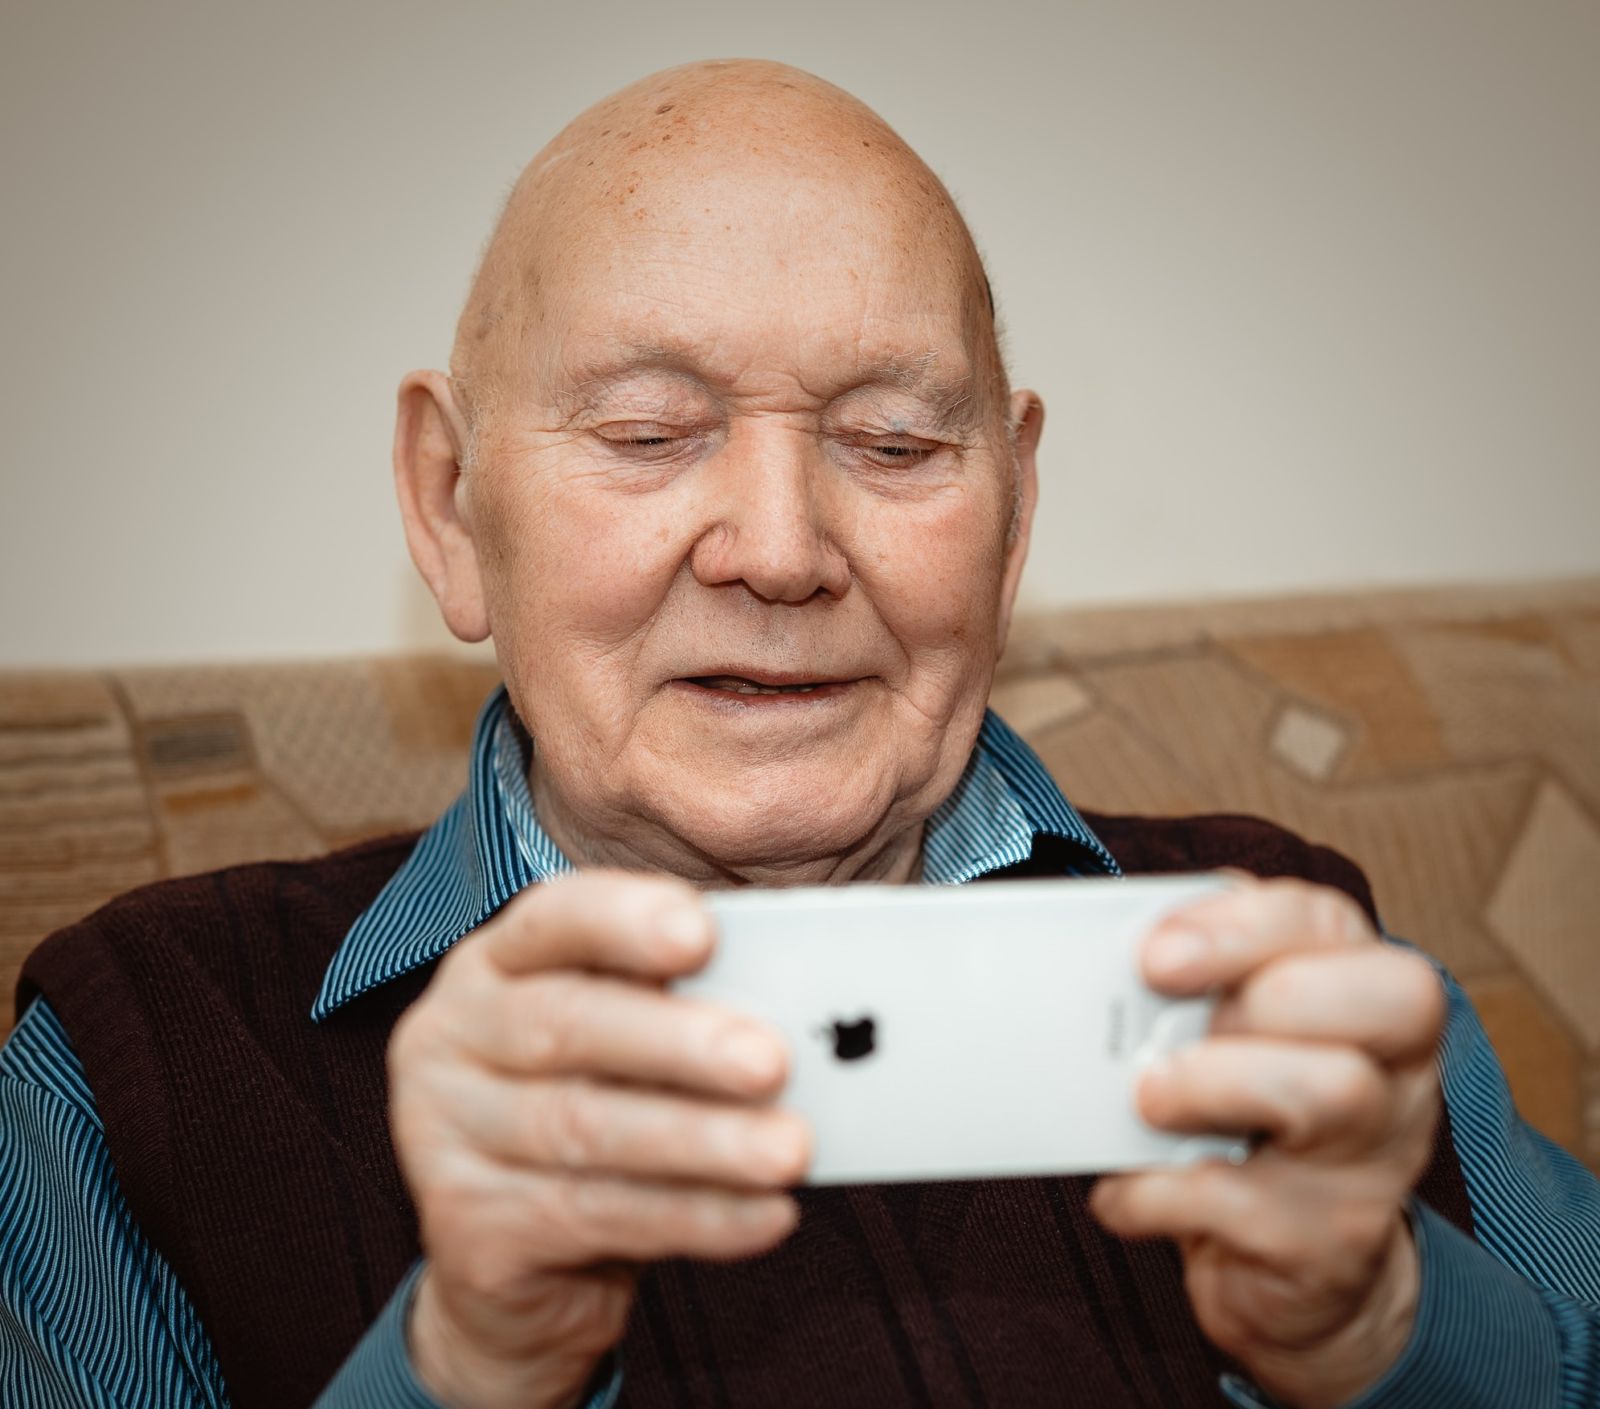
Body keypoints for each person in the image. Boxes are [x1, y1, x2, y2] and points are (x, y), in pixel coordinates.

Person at [3, 59, 1597, 1409]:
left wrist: (1383, 1330)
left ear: (1015, 508)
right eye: (647, 433)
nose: (777, 546)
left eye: (895, 442)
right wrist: (470, 1361)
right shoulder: (135, 1050)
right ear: (450, 505)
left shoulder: (1293, 959)